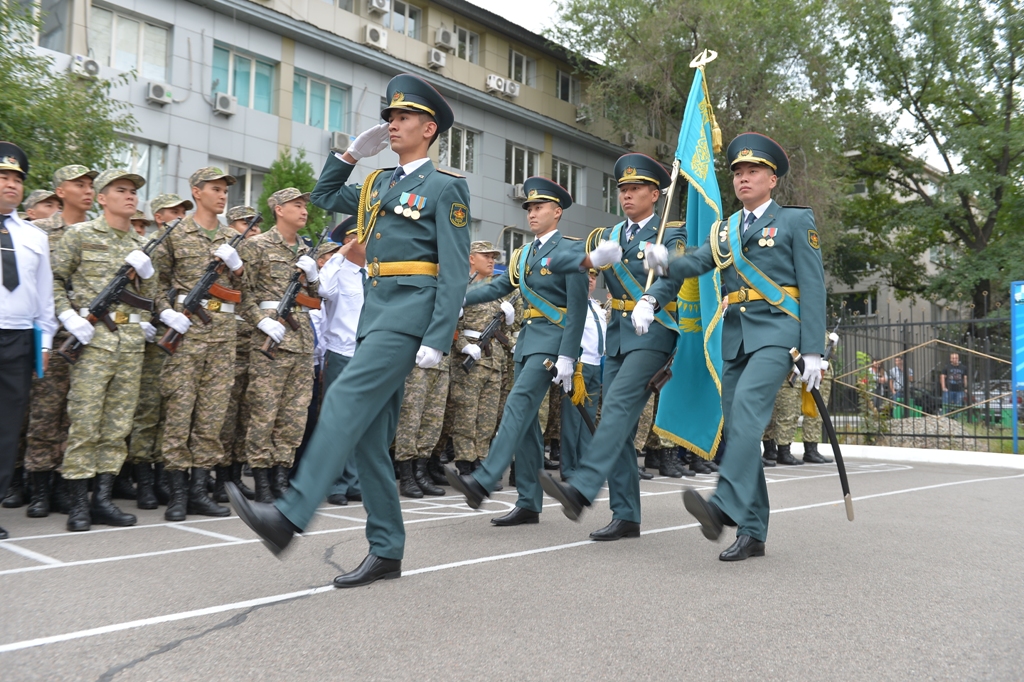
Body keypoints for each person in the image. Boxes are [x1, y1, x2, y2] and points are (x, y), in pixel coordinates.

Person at [227, 73, 470, 589]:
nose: (392, 123)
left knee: (340, 401)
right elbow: (324, 194)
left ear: (429, 128)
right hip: (373, 318)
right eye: (389, 117)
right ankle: (386, 549)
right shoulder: (382, 184)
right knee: (367, 441)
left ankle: (288, 516)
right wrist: (350, 155)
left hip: (409, 316)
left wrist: (437, 334)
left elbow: (453, 269)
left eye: (402, 117)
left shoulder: (447, 188)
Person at [642, 133, 827, 561]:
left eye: (754, 172)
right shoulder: (725, 230)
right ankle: (753, 531)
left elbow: (814, 286)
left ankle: (724, 503)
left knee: (746, 414)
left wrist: (813, 349)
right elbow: (699, 261)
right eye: (739, 173)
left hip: (779, 331)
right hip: (736, 335)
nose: (744, 179)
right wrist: (666, 261)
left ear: (772, 180)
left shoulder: (796, 221)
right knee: (741, 430)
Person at [533, 153, 686, 542]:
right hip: (617, 334)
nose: (628, 196)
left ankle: (582, 489)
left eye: (636, 189)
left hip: (653, 332)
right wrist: (590, 258)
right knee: (617, 422)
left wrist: (654, 292)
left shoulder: (672, 232)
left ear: (655, 194)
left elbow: (677, 276)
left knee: (616, 406)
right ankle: (626, 514)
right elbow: (560, 262)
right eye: (623, 190)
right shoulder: (609, 235)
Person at [446, 176, 587, 527]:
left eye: (539, 207)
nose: (532, 213)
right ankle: (528, 501)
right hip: (527, 343)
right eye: (529, 208)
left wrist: (568, 356)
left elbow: (578, 307)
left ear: (557, 212)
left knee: (517, 406)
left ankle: (482, 480)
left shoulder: (570, 252)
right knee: (525, 427)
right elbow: (497, 286)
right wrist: (461, 296)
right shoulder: (524, 254)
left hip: (552, 344)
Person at [52, 168, 159, 532]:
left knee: (117, 426)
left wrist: (148, 272)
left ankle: (102, 498)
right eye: (121, 190)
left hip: (128, 343)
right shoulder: (79, 235)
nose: (130, 196)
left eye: (133, 191)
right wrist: (66, 313)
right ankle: (78, 504)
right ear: (101, 197)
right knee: (85, 421)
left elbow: (149, 299)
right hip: (92, 339)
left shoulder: (141, 244)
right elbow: (53, 278)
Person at [153, 168, 245, 521]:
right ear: (197, 192)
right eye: (216, 189)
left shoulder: (232, 237)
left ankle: (198, 490)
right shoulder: (177, 232)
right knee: (180, 410)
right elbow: (155, 282)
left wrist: (237, 268)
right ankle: (177, 493)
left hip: (222, 334)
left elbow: (246, 288)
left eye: (225, 191)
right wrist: (165, 313)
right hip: (187, 330)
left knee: (212, 414)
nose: (223, 196)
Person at [21, 165, 99, 517]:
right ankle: (38, 488)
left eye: (91, 185)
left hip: (89, 334)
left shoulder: (98, 231)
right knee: (44, 411)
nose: (88, 191)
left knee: (77, 414)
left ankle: (67, 486)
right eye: (79, 185)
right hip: (51, 333)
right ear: (60, 192)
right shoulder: (37, 231)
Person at [236, 187, 319, 502]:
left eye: (304, 206)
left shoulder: (306, 250)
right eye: (296, 205)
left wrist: (314, 278)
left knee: (294, 414)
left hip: (301, 340)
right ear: (279, 209)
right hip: (271, 338)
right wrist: (260, 320)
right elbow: (242, 293)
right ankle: (262, 481)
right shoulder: (256, 246)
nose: (303, 210)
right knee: (264, 412)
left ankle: (282, 476)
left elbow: (316, 299)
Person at [0, 143, 57, 539]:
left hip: (19, 339)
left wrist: (47, 342)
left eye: (17, 179)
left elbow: (45, 294)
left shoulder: (34, 236)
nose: (11, 185)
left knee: (6, 429)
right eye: (3, 177)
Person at [128, 193, 196, 509]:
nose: (181, 215)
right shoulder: (151, 245)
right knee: (148, 410)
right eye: (174, 211)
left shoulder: (184, 245)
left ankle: (160, 477)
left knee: (171, 411)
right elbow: (137, 291)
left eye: (184, 211)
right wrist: (146, 318)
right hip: (153, 336)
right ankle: (143, 482)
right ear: (159, 216)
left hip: (178, 336)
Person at [449, 241, 510, 478]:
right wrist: (464, 346)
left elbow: (508, 327)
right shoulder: (461, 289)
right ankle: (466, 460)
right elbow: (452, 325)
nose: (491, 260)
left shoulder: (496, 292)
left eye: (493, 256)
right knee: (466, 412)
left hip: (493, 360)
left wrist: (510, 317)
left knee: (487, 416)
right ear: (471, 258)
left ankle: (481, 460)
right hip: (469, 360)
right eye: (486, 256)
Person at [317, 218, 364, 507]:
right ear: (351, 239)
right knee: (335, 422)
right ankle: (333, 483)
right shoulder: (336, 272)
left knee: (359, 422)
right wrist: (339, 255)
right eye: (364, 235)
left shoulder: (372, 272)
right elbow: (323, 290)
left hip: (364, 355)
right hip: (339, 354)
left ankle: (353, 481)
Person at [215, 204, 260, 503]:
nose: (253, 230)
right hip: (224, 336)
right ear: (232, 225)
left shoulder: (255, 254)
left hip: (250, 338)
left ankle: (234, 475)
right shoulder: (221, 247)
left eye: (256, 225)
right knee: (225, 413)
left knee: (245, 410)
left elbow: (256, 289)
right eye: (246, 224)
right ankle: (219, 479)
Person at [559, 268, 606, 480]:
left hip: (596, 365)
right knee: (573, 419)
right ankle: (569, 468)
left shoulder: (597, 307)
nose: (590, 280)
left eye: (594, 277)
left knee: (589, 418)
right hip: (579, 365)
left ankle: (584, 466)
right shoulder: (572, 303)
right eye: (587, 276)